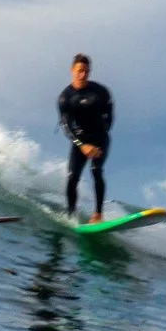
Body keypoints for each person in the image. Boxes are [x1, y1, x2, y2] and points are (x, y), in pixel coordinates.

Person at [57, 53, 114, 223]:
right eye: (80, 70)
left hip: (99, 138)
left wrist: (99, 139)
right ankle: (71, 215)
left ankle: (97, 215)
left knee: (96, 171)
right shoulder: (65, 97)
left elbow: (109, 117)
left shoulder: (100, 91)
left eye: (86, 71)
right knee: (72, 177)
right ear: (72, 70)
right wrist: (82, 145)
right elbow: (66, 127)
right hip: (80, 140)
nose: (83, 74)